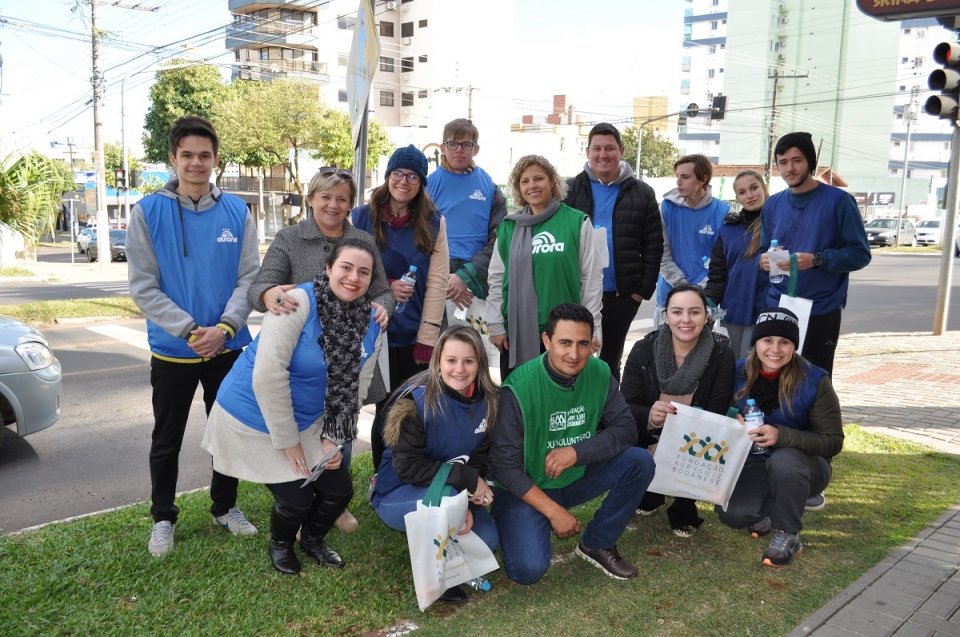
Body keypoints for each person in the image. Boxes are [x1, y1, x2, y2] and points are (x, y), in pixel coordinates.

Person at [201, 239, 383, 575]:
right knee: (296, 499)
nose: (353, 277)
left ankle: (312, 539)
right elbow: (268, 377)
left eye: (363, 272)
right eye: (346, 267)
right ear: (328, 269)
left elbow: (356, 386)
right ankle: (281, 543)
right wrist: (288, 442)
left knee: (339, 491)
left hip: (309, 420)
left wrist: (334, 435)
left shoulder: (371, 321)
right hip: (252, 416)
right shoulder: (297, 303)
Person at [127, 115, 259, 557]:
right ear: (173, 158)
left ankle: (225, 507)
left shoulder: (238, 211)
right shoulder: (147, 211)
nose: (196, 163)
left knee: (227, 432)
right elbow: (144, 286)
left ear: (215, 159)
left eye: (204, 155)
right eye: (187, 155)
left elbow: (249, 279)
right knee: (166, 439)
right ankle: (163, 517)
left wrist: (224, 328)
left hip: (227, 346)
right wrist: (188, 330)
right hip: (173, 350)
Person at [246, 166, 394, 534]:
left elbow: (383, 291)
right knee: (301, 433)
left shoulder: (362, 239)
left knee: (338, 435)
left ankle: (335, 504)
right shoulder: (290, 238)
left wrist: (383, 307)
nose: (333, 204)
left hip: (347, 359)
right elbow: (261, 286)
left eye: (341, 198)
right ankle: (300, 504)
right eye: (325, 196)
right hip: (304, 362)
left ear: (350, 204)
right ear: (311, 198)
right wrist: (271, 294)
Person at [489, 303, 655, 584]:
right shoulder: (518, 387)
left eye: (583, 344)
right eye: (564, 343)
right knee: (527, 572)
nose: (574, 354)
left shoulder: (600, 372)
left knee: (639, 462)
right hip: (526, 488)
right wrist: (553, 512)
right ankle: (515, 521)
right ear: (546, 341)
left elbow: (626, 429)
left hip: (574, 476)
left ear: (593, 344)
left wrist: (576, 453)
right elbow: (504, 467)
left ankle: (597, 542)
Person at [371, 325, 499, 603]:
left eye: (468, 361)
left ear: (480, 363)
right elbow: (408, 468)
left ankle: (445, 533)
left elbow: (481, 455)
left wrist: (467, 500)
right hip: (397, 494)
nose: (459, 369)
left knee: (487, 540)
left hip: (452, 492)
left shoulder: (489, 401)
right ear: (438, 361)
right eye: (451, 360)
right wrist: (464, 483)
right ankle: (440, 574)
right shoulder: (416, 402)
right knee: (447, 503)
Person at [716, 307, 843, 568]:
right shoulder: (738, 371)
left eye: (784, 342)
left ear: (794, 346)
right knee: (733, 514)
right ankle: (776, 506)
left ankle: (788, 533)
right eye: (767, 340)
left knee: (785, 461)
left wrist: (782, 436)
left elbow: (832, 441)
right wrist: (732, 418)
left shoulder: (815, 380)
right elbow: (718, 409)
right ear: (756, 343)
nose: (775, 349)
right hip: (754, 461)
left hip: (805, 465)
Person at [352, 145, 449, 471]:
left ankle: (405, 472)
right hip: (369, 330)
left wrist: (428, 336)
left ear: (421, 183)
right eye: (398, 173)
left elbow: (437, 283)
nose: (404, 181)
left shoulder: (434, 223)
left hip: (411, 334)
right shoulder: (361, 217)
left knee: (407, 408)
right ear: (388, 176)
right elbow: (345, 272)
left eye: (412, 176)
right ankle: (381, 474)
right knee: (378, 407)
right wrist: (385, 288)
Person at [620, 284, 735, 537]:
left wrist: (683, 428)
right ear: (665, 316)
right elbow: (625, 405)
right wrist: (651, 414)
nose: (685, 320)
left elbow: (717, 410)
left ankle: (684, 505)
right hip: (649, 433)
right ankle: (651, 491)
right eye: (677, 312)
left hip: (694, 440)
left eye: (694, 312)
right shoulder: (643, 349)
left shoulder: (720, 353)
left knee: (708, 438)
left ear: (707, 316)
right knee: (623, 435)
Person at [759, 132, 871, 374]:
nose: (790, 168)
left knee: (814, 381)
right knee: (773, 377)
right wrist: (763, 260)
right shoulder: (773, 204)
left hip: (820, 308)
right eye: (783, 162)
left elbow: (861, 253)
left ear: (810, 161)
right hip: (777, 305)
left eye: (797, 160)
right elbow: (763, 249)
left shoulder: (839, 201)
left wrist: (818, 260)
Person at [486, 155, 602, 379]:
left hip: (566, 335)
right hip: (517, 335)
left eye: (539, 178)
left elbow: (591, 280)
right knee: (519, 400)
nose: (532, 186)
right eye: (525, 181)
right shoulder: (509, 227)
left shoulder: (577, 222)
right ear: (518, 189)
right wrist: (496, 325)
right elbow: (497, 279)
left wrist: (594, 328)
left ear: (552, 182)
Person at [563, 122, 664, 380]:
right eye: (596, 148)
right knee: (573, 356)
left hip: (622, 294)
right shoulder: (569, 189)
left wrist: (641, 291)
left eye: (609, 148)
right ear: (588, 152)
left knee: (610, 359)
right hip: (578, 290)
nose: (603, 154)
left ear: (621, 150)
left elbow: (653, 244)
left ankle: (608, 415)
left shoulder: (641, 192)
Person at [426, 118, 508, 307]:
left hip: (478, 277)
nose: (459, 149)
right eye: (453, 143)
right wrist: (442, 278)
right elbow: (416, 236)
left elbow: (500, 238)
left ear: (476, 149)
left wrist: (467, 276)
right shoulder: (427, 186)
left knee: (473, 336)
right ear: (443, 147)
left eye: (466, 144)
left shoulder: (489, 186)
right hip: (436, 276)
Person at [655, 154, 730, 321]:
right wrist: (682, 285)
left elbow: (722, 261)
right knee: (663, 346)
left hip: (705, 298)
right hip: (669, 296)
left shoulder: (724, 212)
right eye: (677, 176)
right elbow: (662, 252)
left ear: (702, 179)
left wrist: (699, 289)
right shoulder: (667, 207)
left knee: (702, 347)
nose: (678, 182)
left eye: (685, 177)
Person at [704, 170, 769, 359]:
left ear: (764, 188)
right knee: (731, 370)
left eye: (754, 188)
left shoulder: (778, 224)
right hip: (732, 312)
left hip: (765, 311)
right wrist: (707, 305)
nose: (749, 195)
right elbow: (717, 274)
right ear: (737, 198)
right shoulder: (728, 229)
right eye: (742, 192)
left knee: (755, 371)